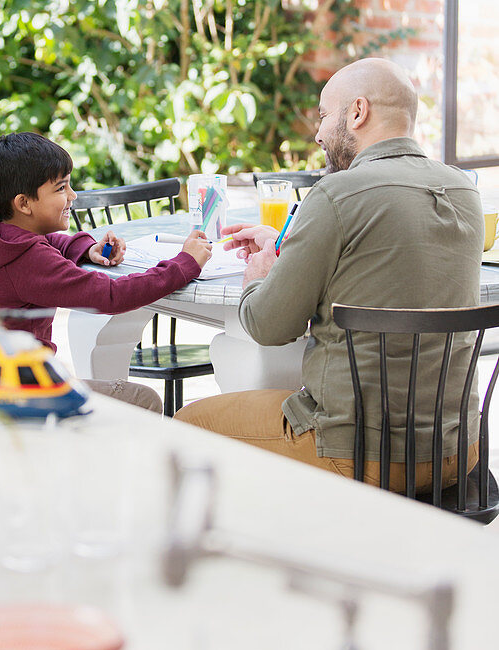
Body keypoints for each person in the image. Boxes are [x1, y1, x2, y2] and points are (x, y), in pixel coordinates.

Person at [176, 57, 484, 491]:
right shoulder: (462, 190)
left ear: (357, 112)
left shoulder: (337, 193)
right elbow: (383, 256)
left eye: (323, 115)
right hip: (460, 449)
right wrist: (295, 240)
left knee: (186, 423)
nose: (318, 133)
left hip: (361, 456)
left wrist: (260, 276)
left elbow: (268, 325)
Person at [0, 132, 212, 413]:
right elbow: (112, 296)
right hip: (12, 393)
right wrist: (185, 263)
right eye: (60, 188)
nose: (72, 196)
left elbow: (48, 242)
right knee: (142, 401)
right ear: (24, 203)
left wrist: (86, 250)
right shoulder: (29, 260)